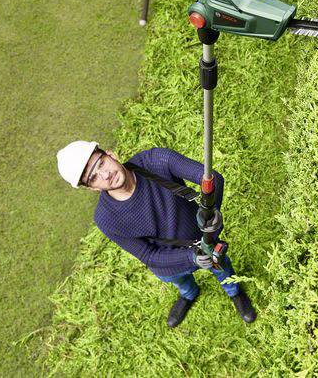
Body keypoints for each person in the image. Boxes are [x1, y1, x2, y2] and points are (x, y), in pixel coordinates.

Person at [56, 140, 256, 328]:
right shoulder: (106, 219)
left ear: (110, 154)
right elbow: (147, 255)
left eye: (101, 163)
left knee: (222, 269)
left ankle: (234, 292)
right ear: (92, 188)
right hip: (168, 265)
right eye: (93, 177)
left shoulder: (156, 161)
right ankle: (189, 294)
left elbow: (212, 178)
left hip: (204, 240)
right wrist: (191, 257)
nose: (105, 175)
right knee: (181, 282)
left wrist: (210, 210)